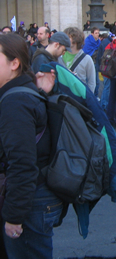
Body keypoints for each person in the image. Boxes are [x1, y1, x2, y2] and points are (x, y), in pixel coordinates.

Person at [0, 34, 62, 258]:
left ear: (14, 63)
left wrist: (14, 216)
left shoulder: (15, 102)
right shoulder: (23, 90)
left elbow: (23, 163)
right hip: (36, 197)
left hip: (29, 202)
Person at [58, 27, 96, 93]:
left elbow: (92, 82)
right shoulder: (59, 57)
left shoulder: (87, 59)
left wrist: (88, 98)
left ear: (76, 39)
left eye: (68, 37)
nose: (65, 40)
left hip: (79, 98)